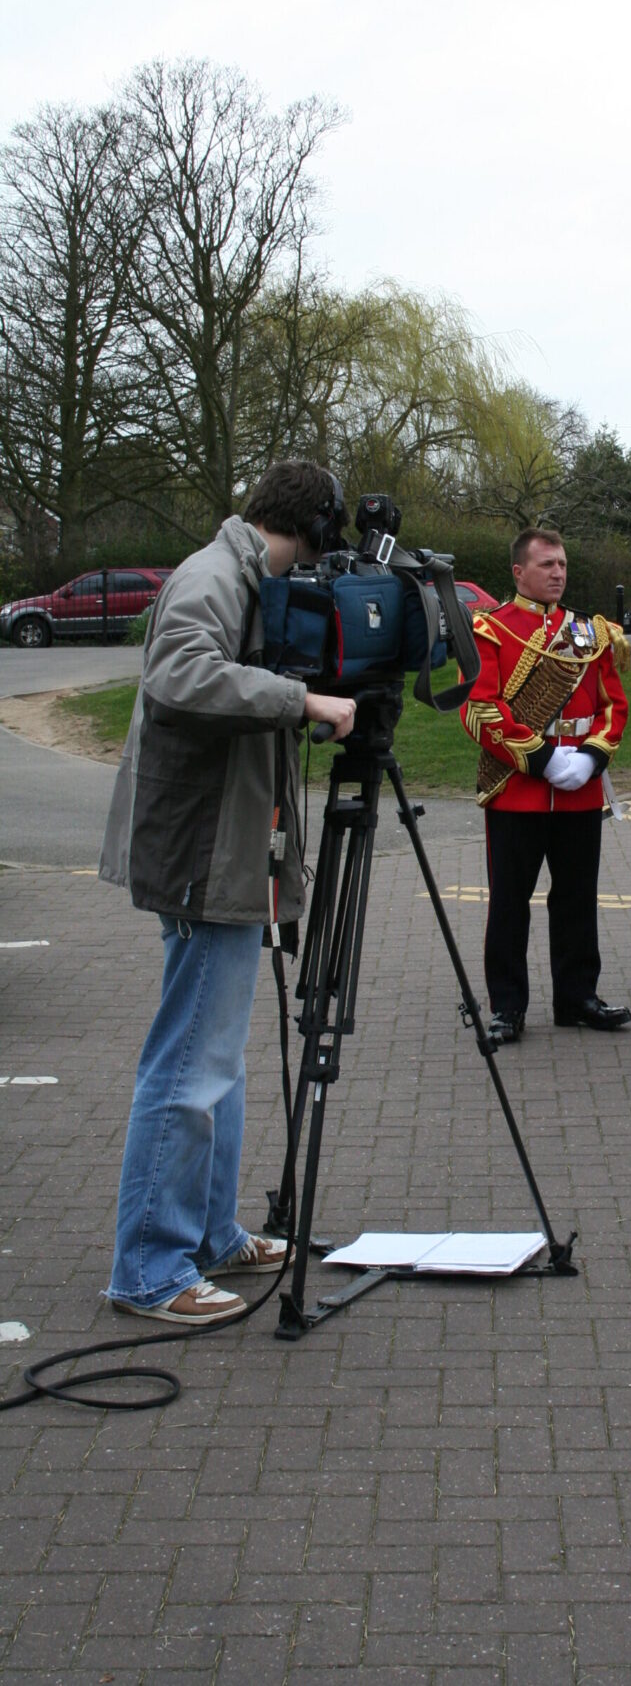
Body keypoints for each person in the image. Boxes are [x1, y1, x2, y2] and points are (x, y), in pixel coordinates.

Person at [99, 461, 357, 1325]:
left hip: (227, 850)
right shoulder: (214, 577)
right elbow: (180, 679)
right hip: (203, 855)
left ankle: (207, 1233)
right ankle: (147, 1268)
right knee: (189, 1062)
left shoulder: (245, 575)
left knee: (219, 1061)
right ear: (313, 525)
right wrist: (299, 697)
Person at [460, 527, 631, 1044]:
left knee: (578, 897)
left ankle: (577, 997)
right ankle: (507, 1006)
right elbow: (480, 709)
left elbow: (613, 706)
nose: (558, 573)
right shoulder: (491, 629)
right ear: (518, 572)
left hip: (579, 786)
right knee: (510, 901)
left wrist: (593, 757)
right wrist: (540, 759)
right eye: (546, 565)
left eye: (561, 564)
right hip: (519, 788)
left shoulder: (591, 631)